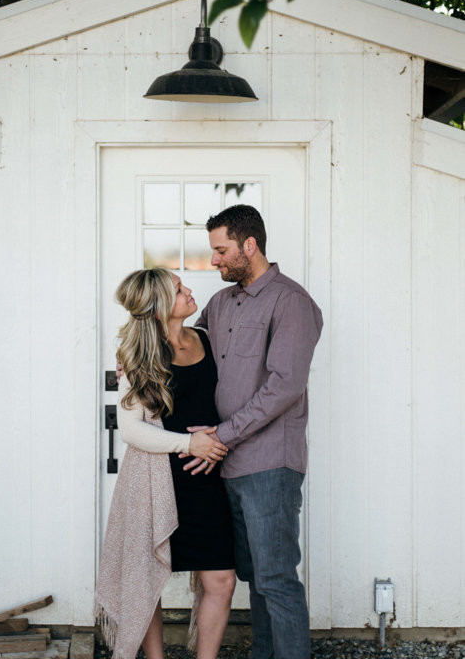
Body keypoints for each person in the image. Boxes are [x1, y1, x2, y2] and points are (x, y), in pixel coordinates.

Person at [181, 204, 323, 659]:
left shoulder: (291, 301)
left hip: (269, 463)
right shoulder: (220, 304)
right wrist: (138, 356)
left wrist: (222, 434)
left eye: (220, 250)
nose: (214, 261)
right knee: (256, 576)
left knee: (276, 577)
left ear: (249, 244)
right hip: (227, 466)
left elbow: (284, 386)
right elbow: (186, 349)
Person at [94, 267, 236, 659]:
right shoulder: (138, 355)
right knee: (147, 580)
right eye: (178, 289)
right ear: (159, 308)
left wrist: (220, 437)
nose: (189, 290)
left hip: (208, 480)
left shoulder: (206, 338)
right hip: (158, 481)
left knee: (221, 579)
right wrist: (191, 443)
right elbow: (131, 430)